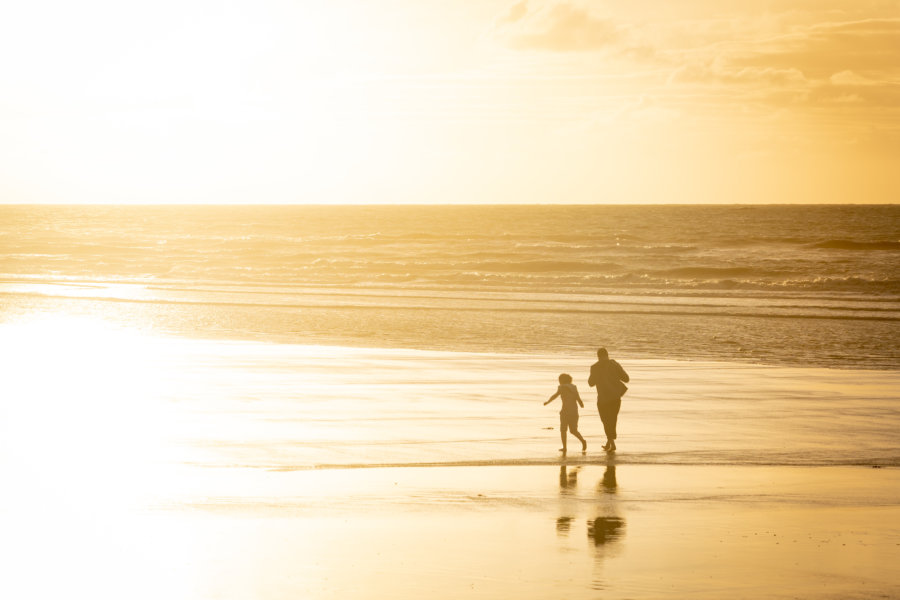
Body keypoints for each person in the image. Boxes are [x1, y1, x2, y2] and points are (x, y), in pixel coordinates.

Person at [588, 348, 629, 452]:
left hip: (603, 398)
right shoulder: (615, 364)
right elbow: (626, 379)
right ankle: (609, 442)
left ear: (598, 356)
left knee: (606, 421)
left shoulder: (595, 367)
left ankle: (612, 443)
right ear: (607, 355)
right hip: (616, 397)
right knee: (612, 419)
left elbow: (591, 383)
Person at [544, 373, 587, 455]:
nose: (559, 381)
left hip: (565, 411)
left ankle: (565, 447)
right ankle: (583, 441)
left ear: (562, 380)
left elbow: (555, 395)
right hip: (574, 411)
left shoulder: (562, 387)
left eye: (559, 380)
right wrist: (581, 403)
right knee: (573, 430)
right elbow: (578, 397)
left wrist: (547, 402)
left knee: (563, 430)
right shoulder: (574, 387)